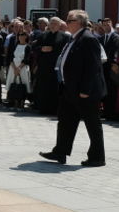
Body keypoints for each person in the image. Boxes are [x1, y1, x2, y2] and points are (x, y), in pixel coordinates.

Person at [38, 10, 107, 166]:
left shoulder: (88, 39)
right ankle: (60, 152)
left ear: (80, 22)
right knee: (65, 121)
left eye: (70, 20)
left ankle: (97, 157)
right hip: (69, 88)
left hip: (85, 91)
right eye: (67, 20)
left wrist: (85, 90)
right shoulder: (74, 38)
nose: (66, 23)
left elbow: (93, 67)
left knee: (92, 123)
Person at [5, 30, 33, 108]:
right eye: (19, 35)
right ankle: (14, 101)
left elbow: (27, 59)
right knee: (13, 83)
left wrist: (19, 68)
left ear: (26, 36)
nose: (20, 36)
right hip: (13, 67)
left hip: (23, 68)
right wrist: (14, 68)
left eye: (22, 35)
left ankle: (22, 102)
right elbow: (10, 57)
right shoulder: (15, 45)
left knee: (23, 84)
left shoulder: (28, 46)